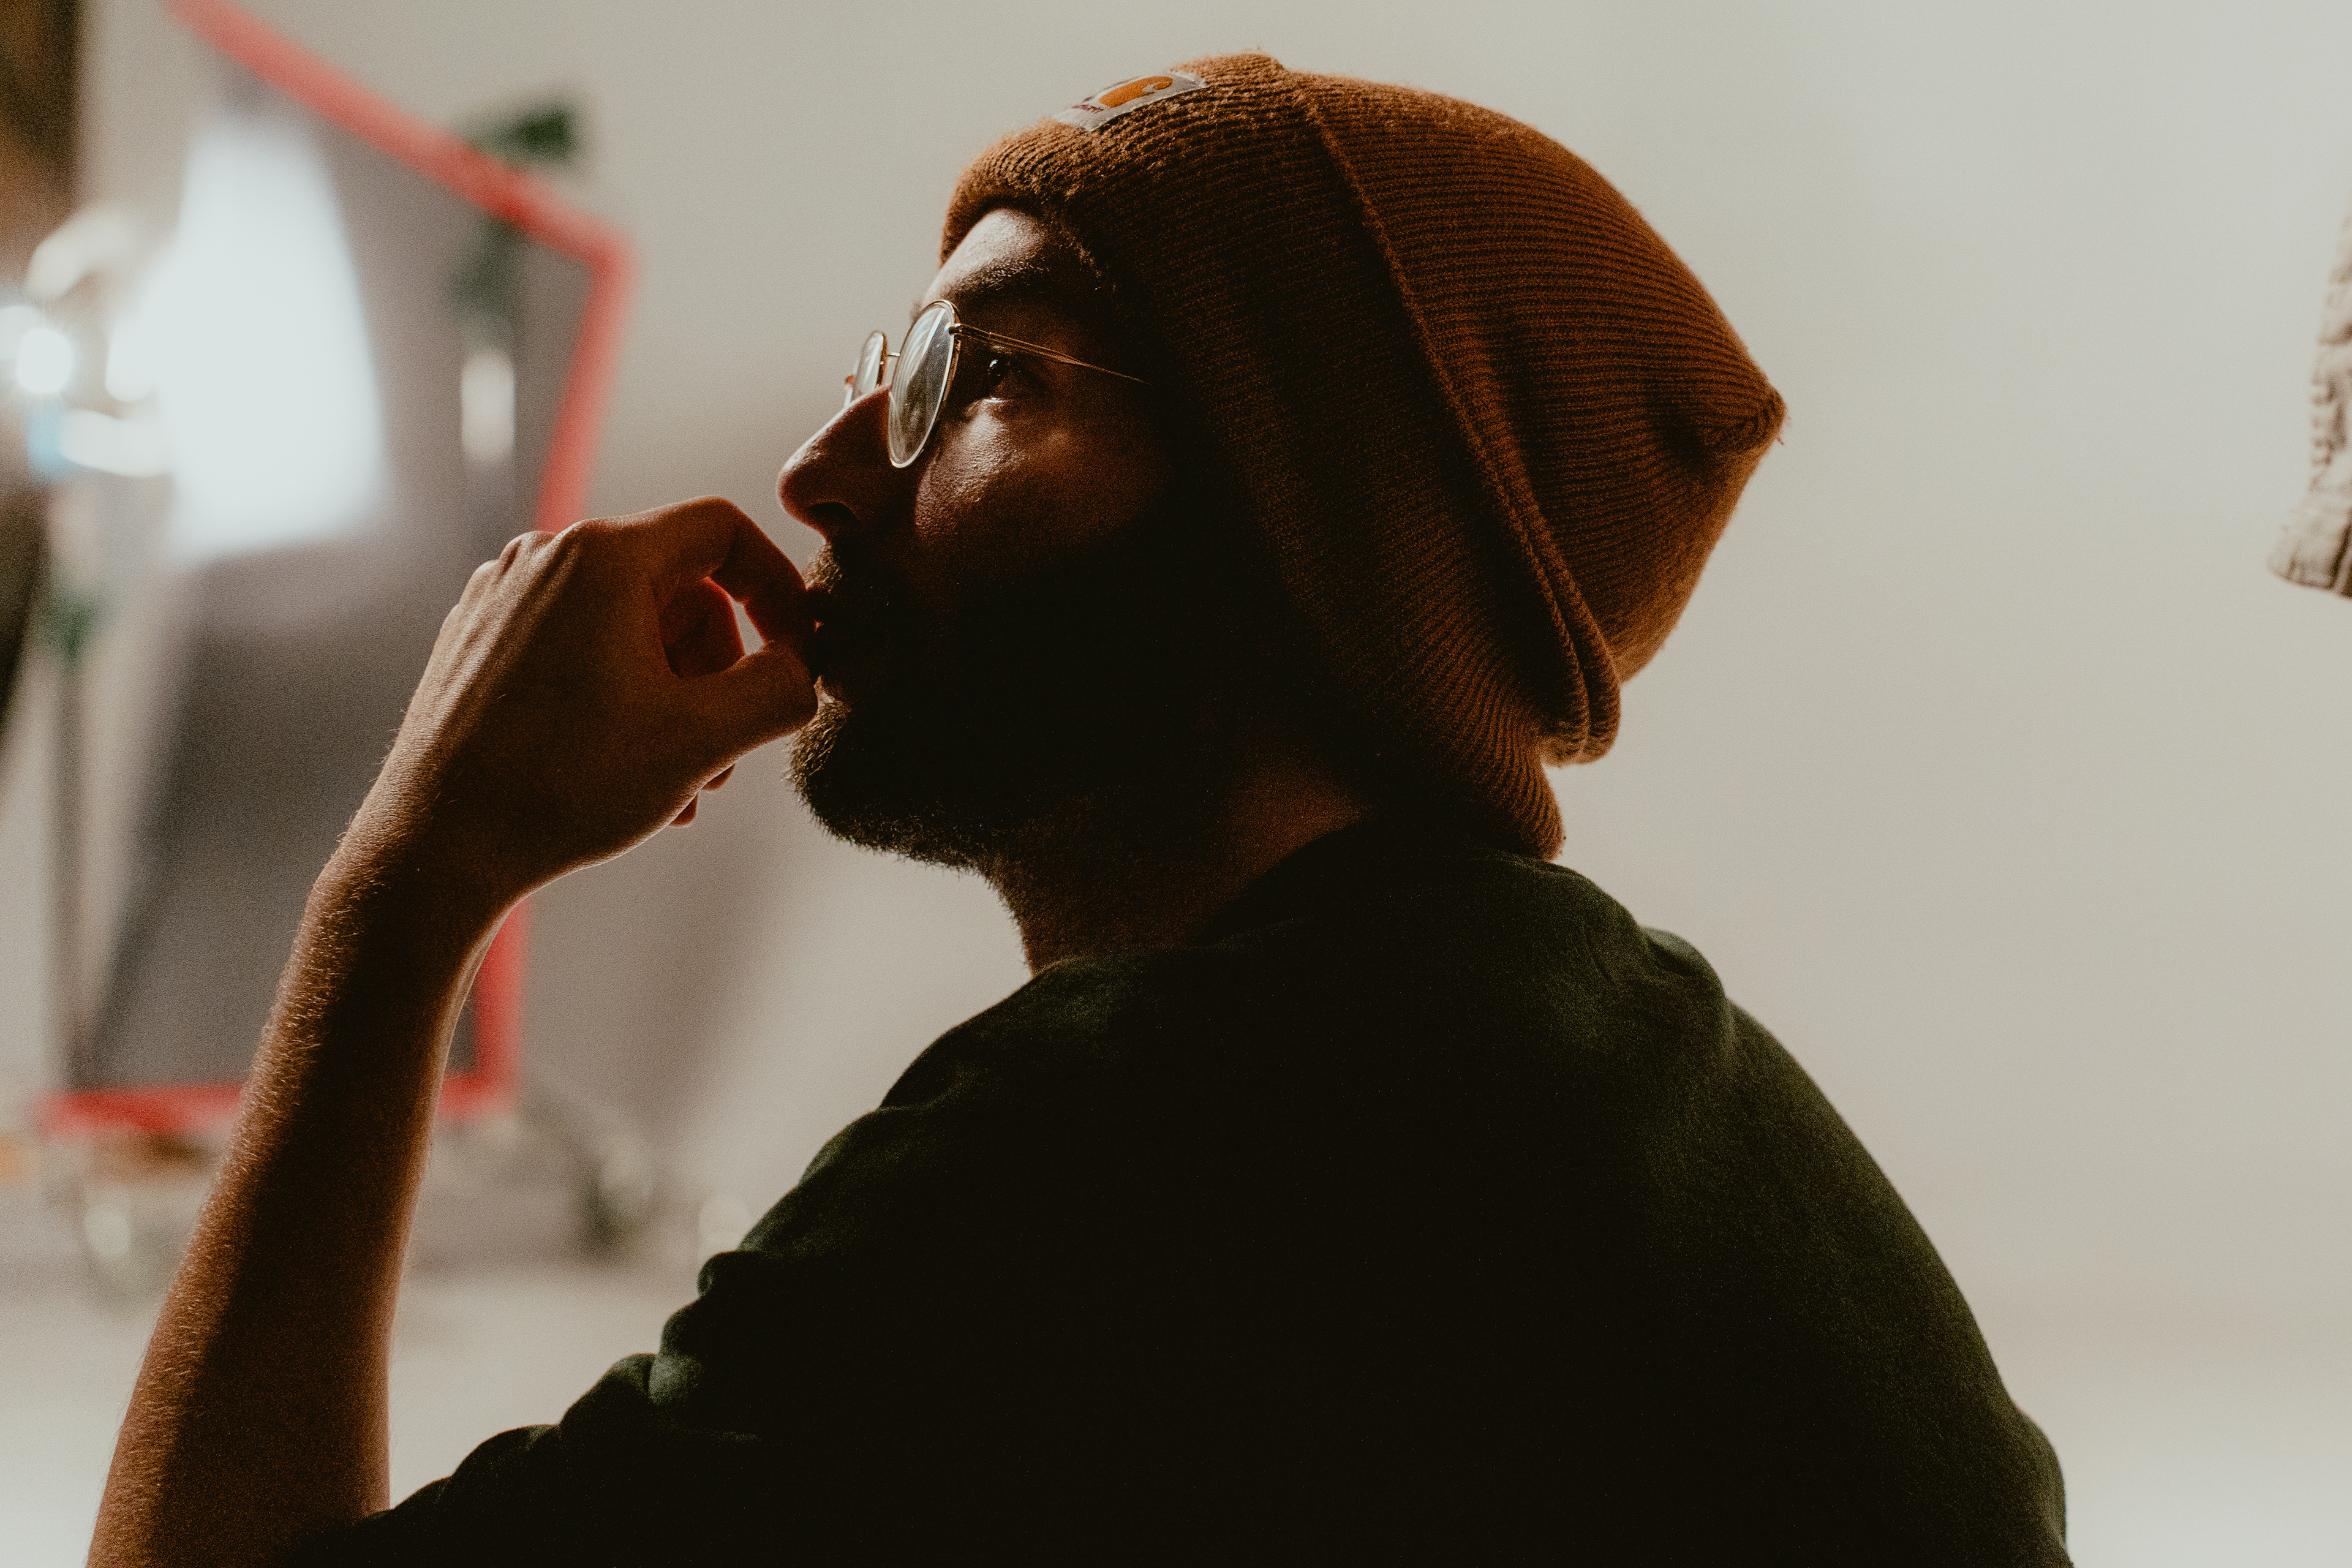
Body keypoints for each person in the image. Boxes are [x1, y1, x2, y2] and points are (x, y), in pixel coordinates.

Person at [90, 53, 2071, 1566]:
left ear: (1305, 525)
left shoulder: (1168, 1126)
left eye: (973, 374)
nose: (825, 471)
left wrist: (411, 880)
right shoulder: (1648, 1099)